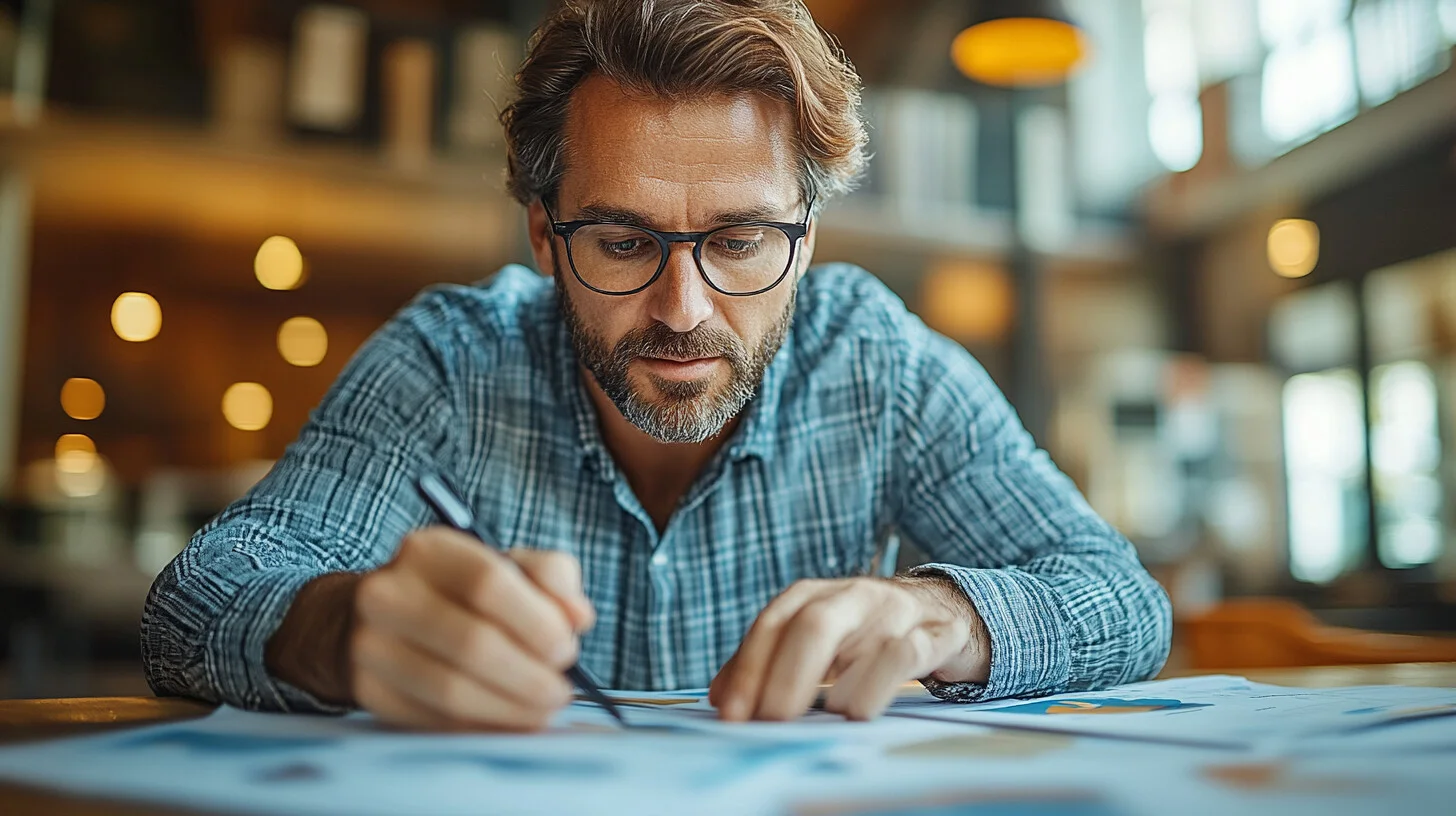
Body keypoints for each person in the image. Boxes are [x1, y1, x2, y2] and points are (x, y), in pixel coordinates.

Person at [141, 0, 1171, 732]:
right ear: (545, 239)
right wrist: (340, 629)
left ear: (805, 242)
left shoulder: (877, 361)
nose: (683, 311)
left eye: (738, 241)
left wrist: (940, 617)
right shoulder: (447, 362)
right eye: (624, 241)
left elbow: (1118, 601)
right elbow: (192, 605)